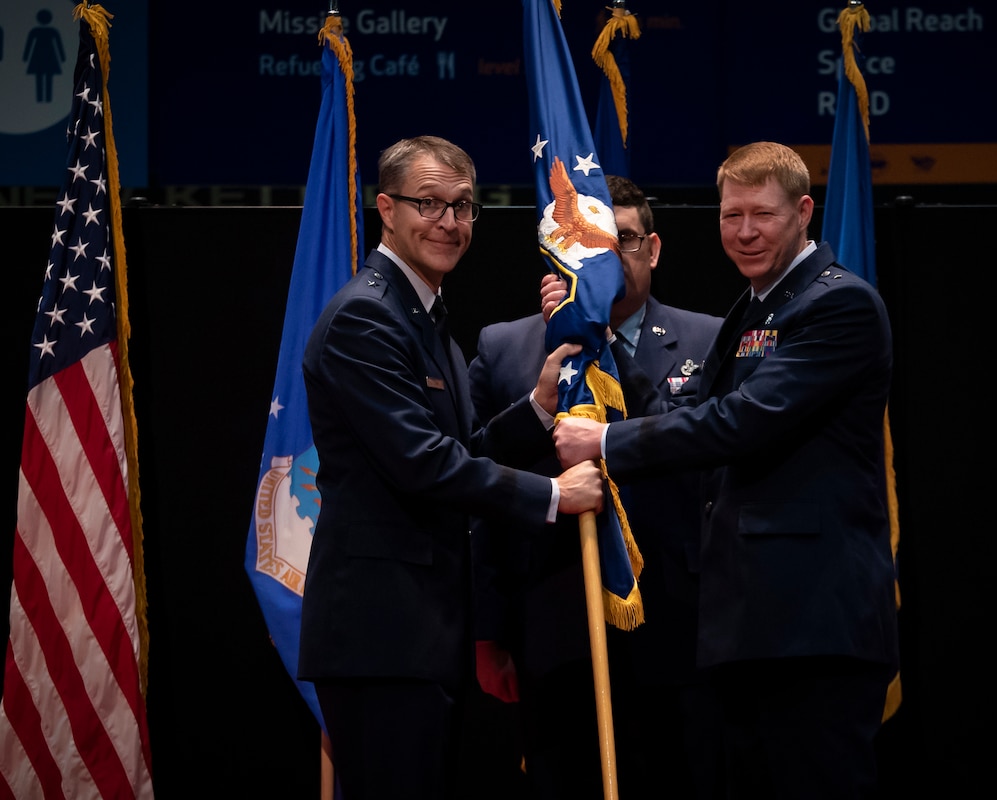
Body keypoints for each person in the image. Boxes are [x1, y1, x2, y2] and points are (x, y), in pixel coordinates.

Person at [553, 142, 900, 799]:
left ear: (803, 212)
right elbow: (694, 408)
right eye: (730, 214)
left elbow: (741, 422)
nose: (743, 232)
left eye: (762, 215)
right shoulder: (755, 306)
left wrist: (605, 441)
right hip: (752, 625)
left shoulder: (839, 305)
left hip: (813, 623)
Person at [297, 135, 604, 800]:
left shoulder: (422, 313)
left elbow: (459, 449)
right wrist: (554, 494)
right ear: (386, 207)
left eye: (463, 208)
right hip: (382, 636)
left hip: (422, 632)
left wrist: (537, 407)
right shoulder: (367, 319)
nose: (449, 224)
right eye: (428, 204)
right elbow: (425, 465)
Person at [469, 174, 724, 799]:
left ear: (654, 249)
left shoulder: (710, 339)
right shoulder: (504, 348)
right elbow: (476, 483)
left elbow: (707, 464)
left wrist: (605, 345)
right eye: (591, 249)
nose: (609, 261)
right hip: (553, 623)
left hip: (677, 625)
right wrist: (489, 628)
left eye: (625, 243)